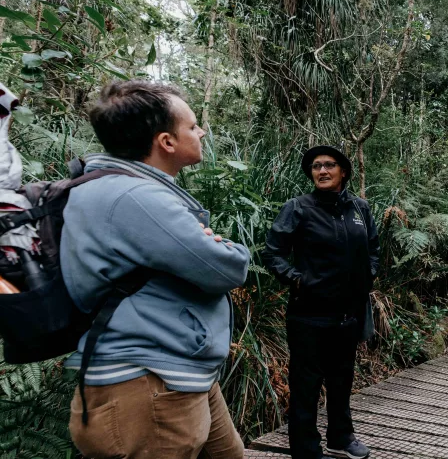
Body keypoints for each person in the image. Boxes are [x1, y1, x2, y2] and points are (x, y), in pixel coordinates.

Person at [62, 80, 250, 458]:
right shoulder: (134, 197)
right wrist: (226, 246)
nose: (201, 132)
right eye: (193, 126)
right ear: (166, 141)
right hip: (145, 382)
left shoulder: (114, 188)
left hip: (176, 372)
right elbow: (227, 268)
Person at [262, 145, 379, 459]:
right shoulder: (298, 208)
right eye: (316, 166)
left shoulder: (360, 209)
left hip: (348, 314)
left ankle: (341, 438)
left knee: (342, 380)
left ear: (343, 171)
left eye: (329, 165)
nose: (322, 171)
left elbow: (373, 249)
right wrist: (298, 279)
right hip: (308, 315)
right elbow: (272, 253)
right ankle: (306, 451)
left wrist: (368, 274)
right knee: (306, 386)